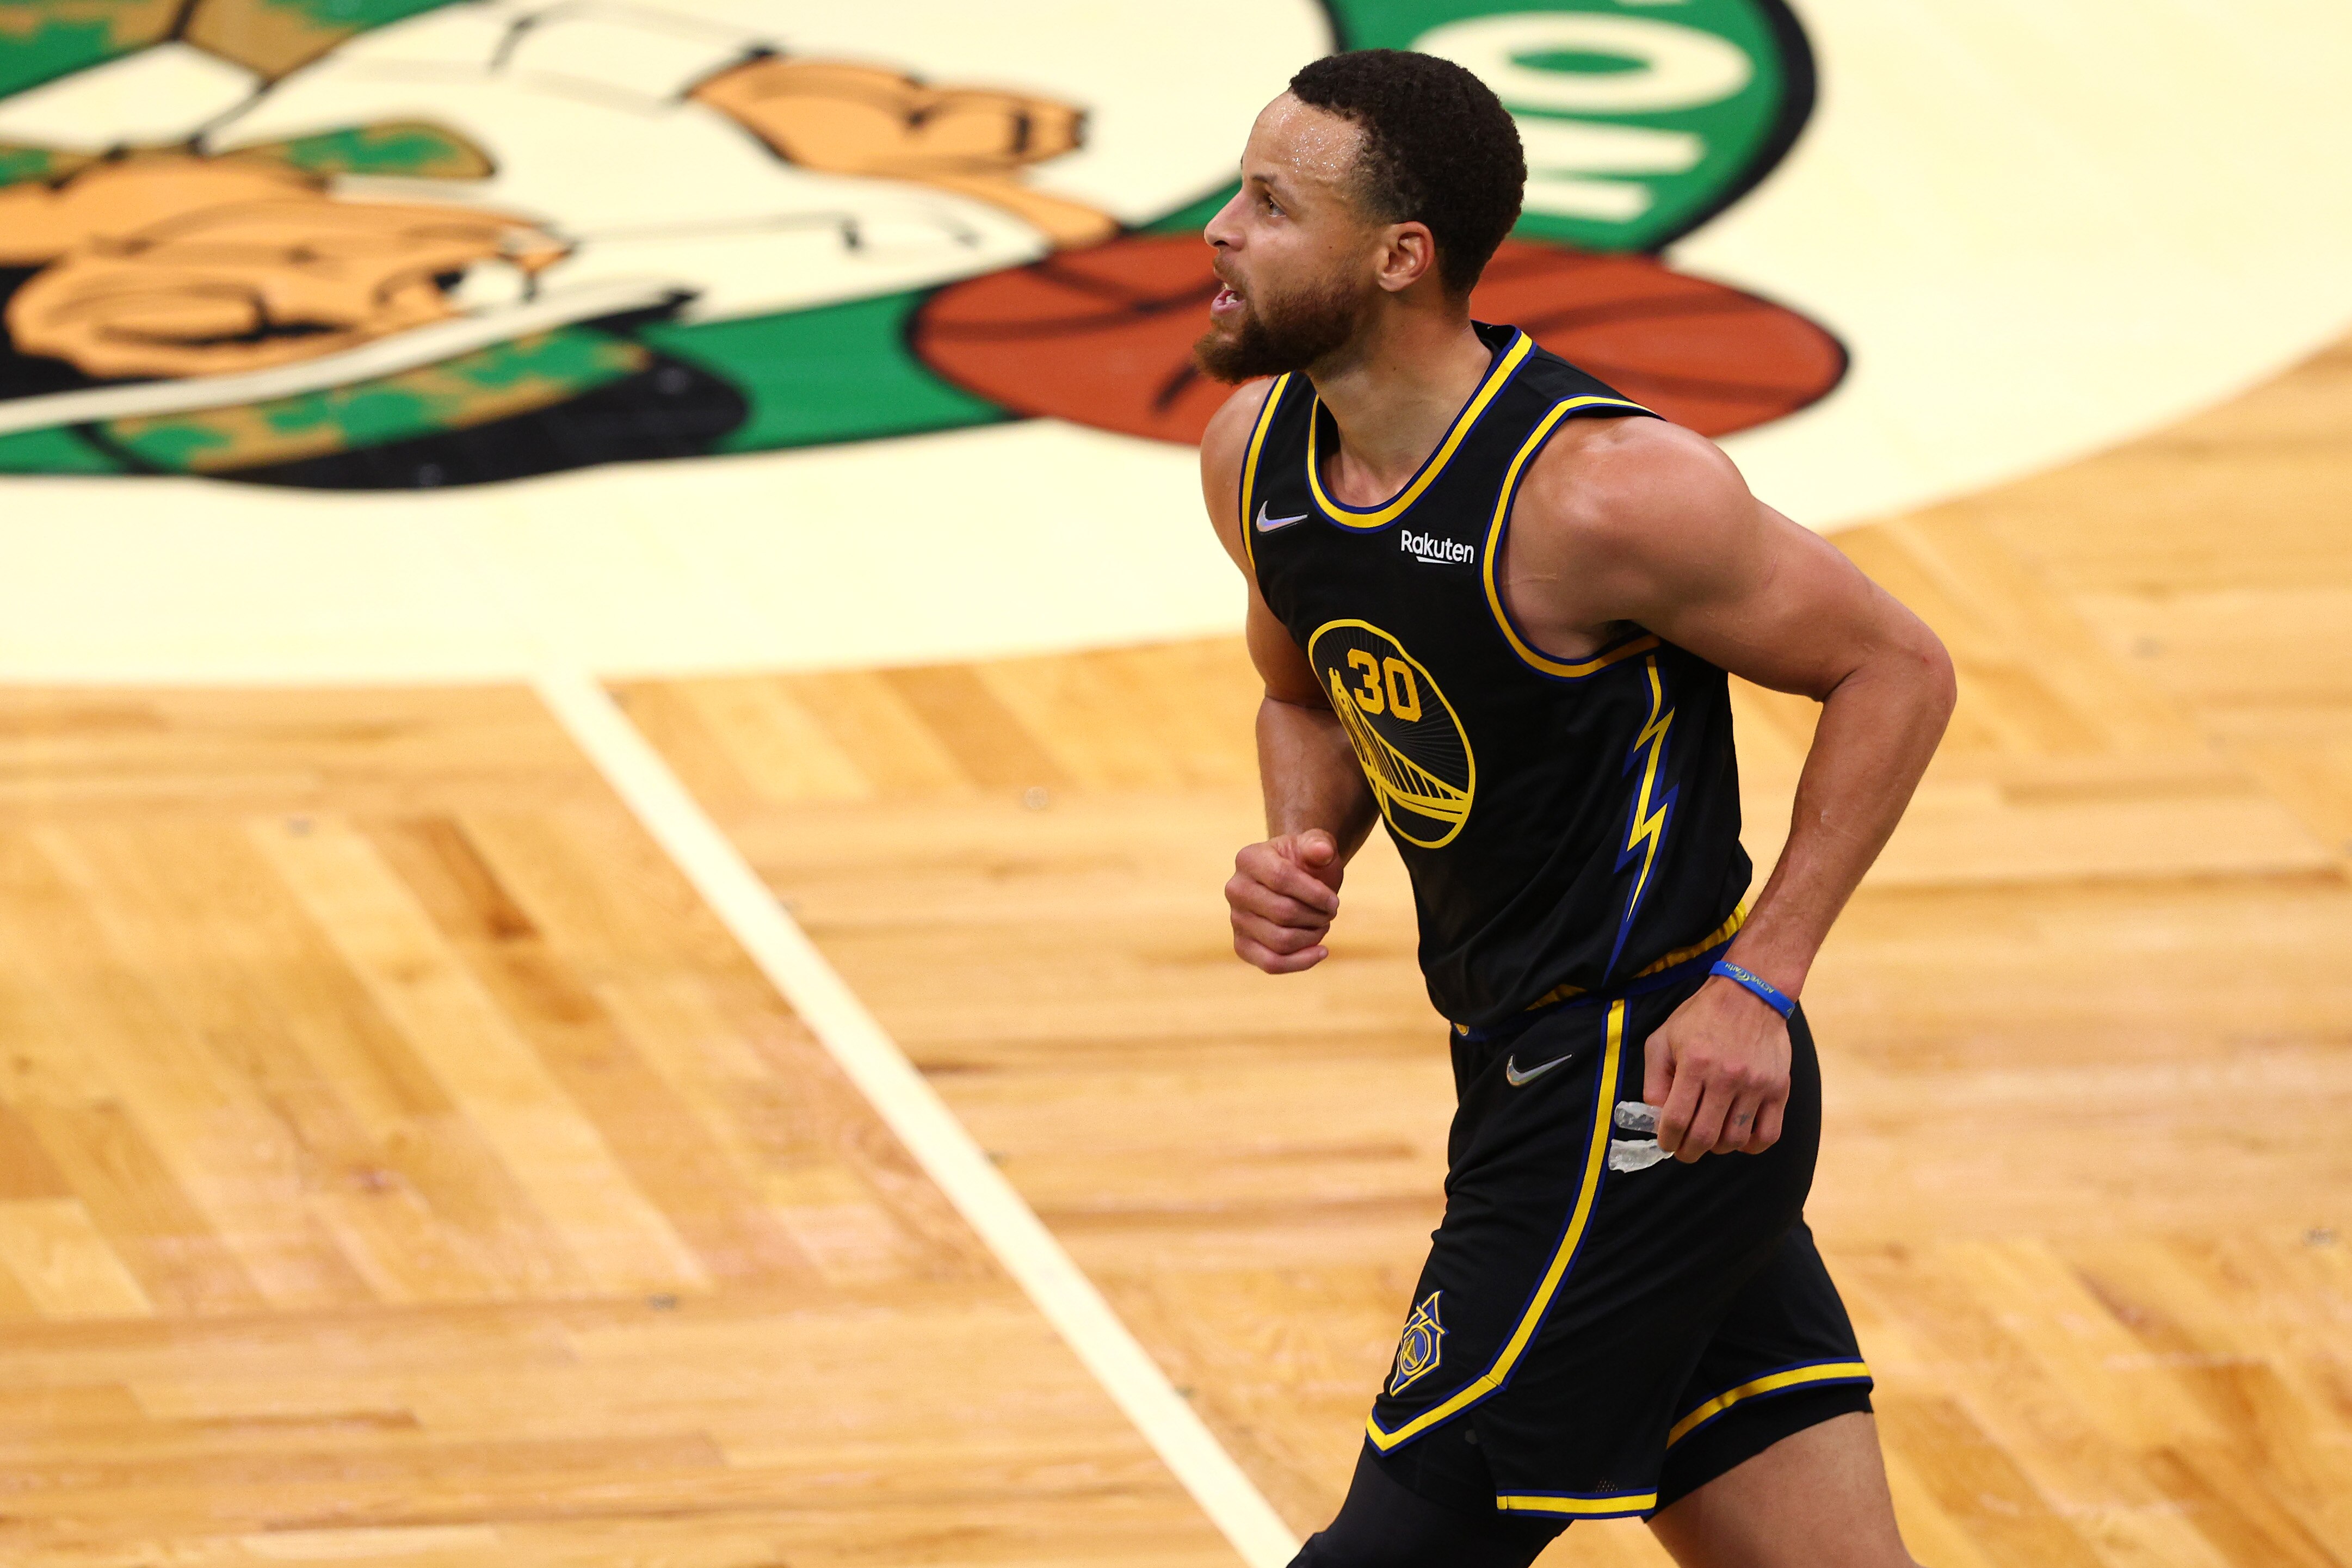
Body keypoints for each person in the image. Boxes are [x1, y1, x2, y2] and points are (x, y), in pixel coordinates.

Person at [1196, 50, 1953, 1567]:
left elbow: (1896, 668)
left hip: (1646, 1084)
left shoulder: (1605, 494)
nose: (1219, 230)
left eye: (1271, 206)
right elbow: (1307, 686)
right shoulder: (1257, 460)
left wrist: (1760, 976)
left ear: (1398, 256)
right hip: (1513, 1068)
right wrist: (1305, 839)